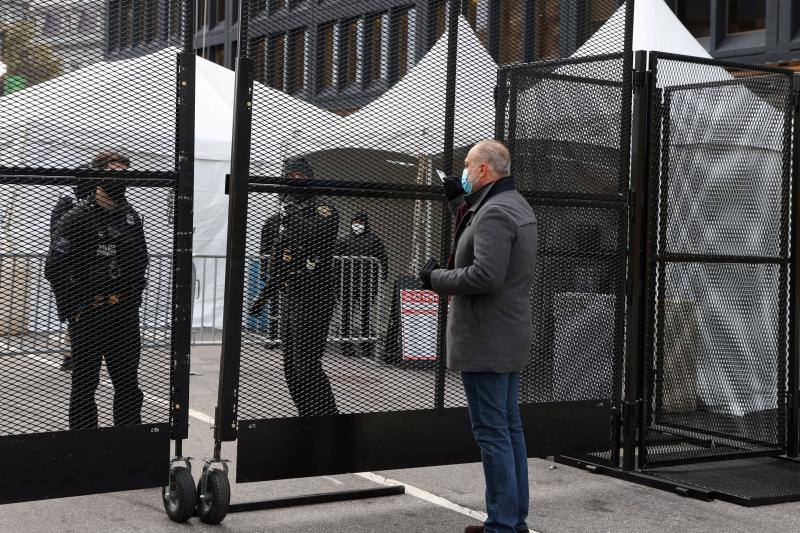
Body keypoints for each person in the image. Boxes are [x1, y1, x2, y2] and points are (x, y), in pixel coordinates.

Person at [420, 140, 537, 533]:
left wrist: (434, 279)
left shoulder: (495, 212)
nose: (465, 172)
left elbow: (486, 275)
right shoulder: (510, 204)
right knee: (508, 427)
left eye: (469, 167)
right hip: (504, 333)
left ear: (484, 170)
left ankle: (503, 524)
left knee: (493, 432)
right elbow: (483, 237)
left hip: (488, 337)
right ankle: (511, 518)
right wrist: (458, 203)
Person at [45, 151, 148, 430]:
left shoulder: (130, 217)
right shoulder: (77, 217)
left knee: (127, 383)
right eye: (116, 173)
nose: (122, 180)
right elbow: (54, 267)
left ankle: (128, 444)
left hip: (123, 314)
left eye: (126, 174)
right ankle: (83, 447)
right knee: (85, 384)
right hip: (87, 314)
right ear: (99, 176)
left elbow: (141, 262)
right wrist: (72, 311)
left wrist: (133, 301)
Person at [248, 156, 340, 417]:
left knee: (306, 363)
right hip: (290, 296)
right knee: (290, 365)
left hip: (315, 295)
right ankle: (305, 413)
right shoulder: (279, 217)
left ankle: (325, 417)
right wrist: (263, 296)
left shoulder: (324, 210)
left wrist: (291, 217)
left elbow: (318, 235)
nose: (296, 182)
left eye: (301, 177)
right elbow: (277, 259)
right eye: (291, 177)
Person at [49, 176, 96, 372]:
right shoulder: (69, 205)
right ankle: (72, 354)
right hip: (69, 270)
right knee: (75, 313)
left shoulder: (93, 207)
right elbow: (57, 235)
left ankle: (73, 354)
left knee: (81, 313)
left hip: (84, 269)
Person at [335, 211, 388, 358]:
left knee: (366, 316)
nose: (357, 224)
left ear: (365, 223)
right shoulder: (344, 241)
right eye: (355, 221)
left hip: (366, 285)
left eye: (360, 222)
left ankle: (365, 345)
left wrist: (380, 281)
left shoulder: (374, 240)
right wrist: (337, 284)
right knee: (347, 316)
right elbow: (336, 264)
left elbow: (383, 261)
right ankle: (346, 345)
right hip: (347, 285)